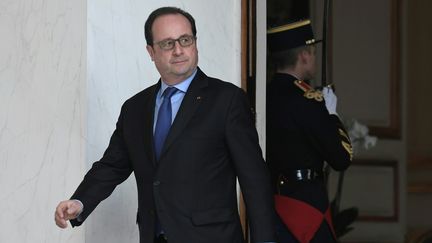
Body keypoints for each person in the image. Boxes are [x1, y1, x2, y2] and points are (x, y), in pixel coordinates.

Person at [54, 6, 276, 243]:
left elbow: (254, 177)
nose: (179, 50)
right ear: (151, 51)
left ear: (195, 43)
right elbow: (112, 165)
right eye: (168, 44)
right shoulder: (135, 108)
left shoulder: (227, 100)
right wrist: (80, 202)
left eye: (185, 40)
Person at [266, 19, 353, 243]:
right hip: (306, 206)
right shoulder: (308, 100)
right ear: (304, 55)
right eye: (312, 52)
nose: (313, 58)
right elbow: (341, 158)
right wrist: (332, 115)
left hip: (271, 204)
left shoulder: (263, 94)